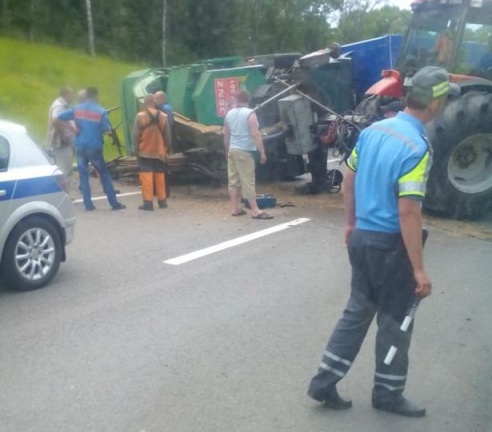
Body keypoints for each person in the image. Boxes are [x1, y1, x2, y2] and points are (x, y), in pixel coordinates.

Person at [307, 67, 459, 417]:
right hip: (391, 247)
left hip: (362, 238)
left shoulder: (373, 130)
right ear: (435, 103)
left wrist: (350, 225)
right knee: (395, 324)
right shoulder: (418, 147)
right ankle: (388, 394)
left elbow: (348, 178)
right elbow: (408, 212)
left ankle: (324, 381)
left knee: (356, 313)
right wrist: (419, 269)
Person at [57, 87, 125, 211]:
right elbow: (106, 129)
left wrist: (74, 128)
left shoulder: (77, 109)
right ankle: (114, 203)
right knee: (104, 174)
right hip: (94, 146)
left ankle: (88, 205)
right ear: (96, 97)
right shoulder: (101, 111)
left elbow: (60, 116)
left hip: (80, 145)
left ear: (87, 96)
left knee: (83, 175)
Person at [224, 90, 272, 219]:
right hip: (244, 151)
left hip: (233, 150)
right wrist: (262, 152)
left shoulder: (229, 114)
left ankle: (235, 209)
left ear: (236, 99)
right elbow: (255, 134)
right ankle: (256, 211)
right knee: (248, 180)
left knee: (233, 181)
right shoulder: (250, 114)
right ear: (248, 100)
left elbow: (226, 135)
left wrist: (227, 150)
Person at [132, 94, 171, 211]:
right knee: (160, 176)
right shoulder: (163, 116)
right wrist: (166, 148)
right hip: (159, 151)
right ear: (154, 102)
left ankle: (148, 203)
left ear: (144, 103)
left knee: (146, 176)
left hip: (145, 151)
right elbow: (168, 136)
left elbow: (135, 135)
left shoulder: (140, 116)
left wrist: (136, 149)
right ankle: (162, 201)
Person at [47, 87, 76, 192]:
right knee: (65, 170)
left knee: (64, 168)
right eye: (71, 95)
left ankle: (63, 193)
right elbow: (55, 120)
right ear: (66, 95)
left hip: (60, 141)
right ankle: (64, 194)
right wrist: (63, 134)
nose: (73, 97)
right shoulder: (59, 106)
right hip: (61, 142)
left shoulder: (60, 105)